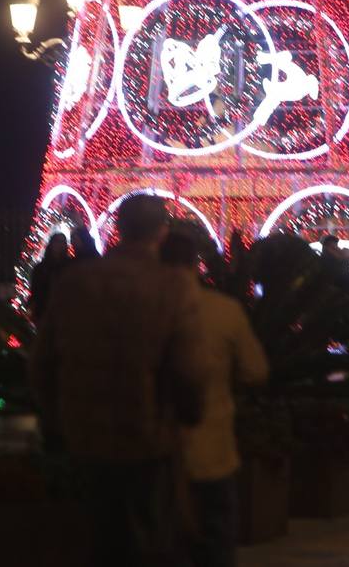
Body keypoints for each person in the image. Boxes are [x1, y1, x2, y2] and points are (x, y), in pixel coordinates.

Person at [32, 194, 207, 567]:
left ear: (117, 228)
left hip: (85, 433)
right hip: (148, 435)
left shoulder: (75, 281)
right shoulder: (173, 286)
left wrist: (56, 420)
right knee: (149, 537)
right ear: (161, 232)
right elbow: (188, 367)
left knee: (98, 536)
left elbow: (42, 361)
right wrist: (189, 418)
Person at [161, 232, 268, 567]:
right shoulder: (224, 310)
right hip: (212, 451)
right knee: (217, 538)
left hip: (152, 449)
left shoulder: (136, 309)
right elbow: (256, 371)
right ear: (197, 264)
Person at [28, 233, 70, 325]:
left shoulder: (70, 267)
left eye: (63, 242)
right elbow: (35, 291)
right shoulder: (40, 268)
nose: (60, 245)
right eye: (57, 241)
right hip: (44, 313)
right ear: (51, 244)